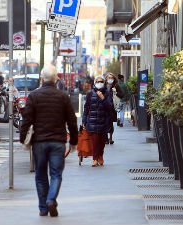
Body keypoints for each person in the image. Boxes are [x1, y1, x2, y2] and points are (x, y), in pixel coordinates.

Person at [20, 64, 78, 217]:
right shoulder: (63, 96)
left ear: (41, 78)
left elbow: (26, 119)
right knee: (56, 174)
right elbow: (72, 121)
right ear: (56, 78)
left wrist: (22, 138)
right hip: (58, 141)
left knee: (40, 175)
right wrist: (73, 141)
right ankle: (51, 199)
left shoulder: (33, 96)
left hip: (39, 141)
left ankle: (43, 208)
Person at [82, 75, 113, 167]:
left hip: (104, 121)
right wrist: (84, 121)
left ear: (104, 83)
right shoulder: (90, 93)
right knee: (95, 141)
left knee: (102, 141)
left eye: (101, 82)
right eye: (97, 82)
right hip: (93, 121)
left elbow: (110, 107)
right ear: (94, 83)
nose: (99, 83)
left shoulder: (107, 93)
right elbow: (86, 108)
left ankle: (100, 156)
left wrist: (103, 98)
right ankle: (95, 159)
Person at [105, 73, 124, 144]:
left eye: (111, 78)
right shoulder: (103, 87)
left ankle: (111, 138)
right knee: (104, 123)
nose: (110, 79)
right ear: (106, 79)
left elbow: (122, 95)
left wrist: (116, 92)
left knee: (110, 123)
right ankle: (106, 138)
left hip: (112, 108)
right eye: (109, 78)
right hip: (104, 107)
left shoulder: (116, 86)